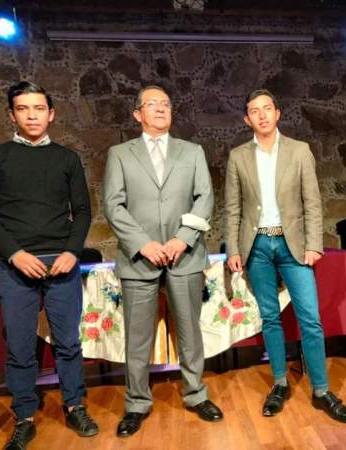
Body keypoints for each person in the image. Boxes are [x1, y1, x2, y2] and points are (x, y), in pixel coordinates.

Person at [0, 81, 99, 449]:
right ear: (12, 115)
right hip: (14, 266)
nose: (32, 115)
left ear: (51, 114)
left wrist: (72, 251)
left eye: (39, 108)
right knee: (20, 346)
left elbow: (83, 211)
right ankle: (24, 416)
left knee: (68, 342)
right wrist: (15, 253)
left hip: (61, 263)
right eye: (23, 109)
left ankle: (75, 406)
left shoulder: (67, 159)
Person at [224, 88, 346, 423]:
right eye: (255, 111)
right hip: (257, 247)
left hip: (292, 244)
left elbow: (312, 202)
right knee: (270, 318)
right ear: (247, 119)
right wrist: (234, 249)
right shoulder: (238, 156)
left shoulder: (300, 151)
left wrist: (314, 244)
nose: (262, 115)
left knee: (310, 318)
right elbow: (233, 208)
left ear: (278, 113)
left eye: (267, 108)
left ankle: (322, 390)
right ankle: (280, 383)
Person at [103, 85, 223, 438]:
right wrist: (143, 244)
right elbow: (113, 204)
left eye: (166, 104)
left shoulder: (192, 151)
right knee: (137, 338)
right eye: (152, 104)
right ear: (137, 114)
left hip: (184, 256)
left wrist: (181, 238)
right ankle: (136, 403)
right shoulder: (119, 154)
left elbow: (205, 198)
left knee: (190, 332)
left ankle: (196, 394)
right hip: (139, 260)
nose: (160, 109)